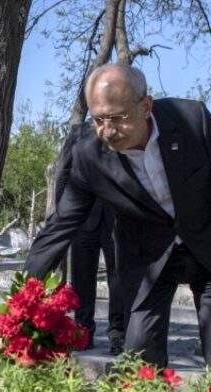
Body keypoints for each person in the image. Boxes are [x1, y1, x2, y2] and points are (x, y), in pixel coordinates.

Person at [25, 63, 211, 389]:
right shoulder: (88, 154)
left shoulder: (190, 120)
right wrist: (26, 290)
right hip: (146, 255)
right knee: (140, 349)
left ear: (145, 106)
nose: (107, 130)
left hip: (209, 242)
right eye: (98, 119)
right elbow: (62, 223)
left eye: (118, 118)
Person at [60, 123, 125, 354]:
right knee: (81, 280)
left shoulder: (119, 130)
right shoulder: (78, 133)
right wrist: (60, 212)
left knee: (118, 280)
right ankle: (83, 331)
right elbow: (64, 171)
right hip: (83, 219)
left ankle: (118, 333)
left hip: (116, 220)